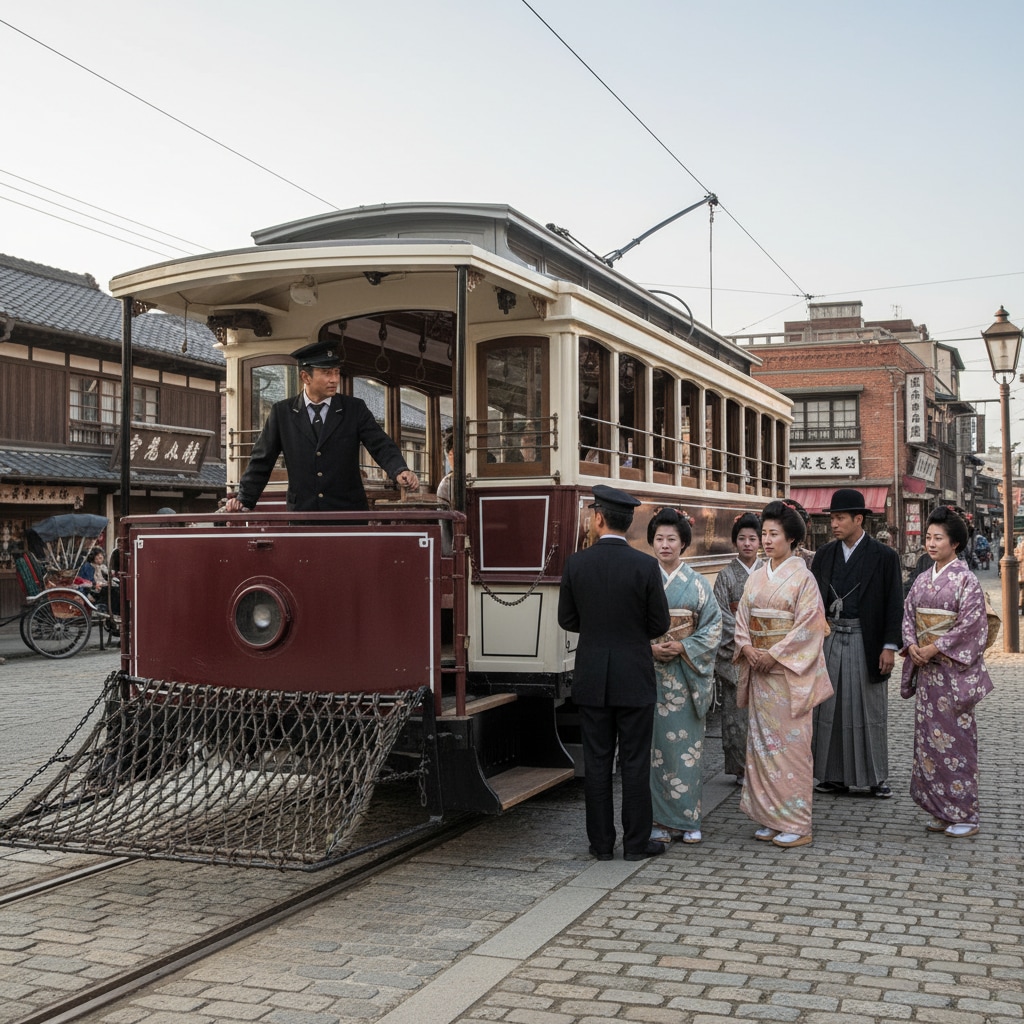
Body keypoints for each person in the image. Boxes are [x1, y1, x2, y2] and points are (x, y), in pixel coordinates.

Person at [558, 484, 671, 862]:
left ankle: (601, 844)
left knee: (598, 763)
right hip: (635, 677)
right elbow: (659, 623)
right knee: (636, 762)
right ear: (627, 522)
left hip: (592, 676)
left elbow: (567, 619)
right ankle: (636, 844)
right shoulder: (645, 565)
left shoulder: (576, 564)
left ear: (599, 518)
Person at [734, 500, 832, 849]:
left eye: (774, 534)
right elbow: (743, 618)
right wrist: (747, 649)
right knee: (761, 747)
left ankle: (796, 821)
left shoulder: (804, 577)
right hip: (761, 675)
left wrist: (773, 654)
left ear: (792, 538)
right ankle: (770, 817)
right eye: (764, 533)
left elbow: (809, 627)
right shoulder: (758, 576)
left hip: (787, 677)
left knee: (790, 749)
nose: (766, 540)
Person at [224, 340, 419, 513]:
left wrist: (399, 470)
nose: (334, 379)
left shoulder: (353, 409)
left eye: (336, 372)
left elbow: (380, 444)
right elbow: (262, 461)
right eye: (326, 373)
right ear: (305, 377)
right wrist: (244, 499)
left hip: (347, 513)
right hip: (303, 513)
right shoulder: (282, 413)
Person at [901, 505, 993, 838]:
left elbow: (971, 626)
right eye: (928, 537)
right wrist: (912, 644)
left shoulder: (966, 581)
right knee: (929, 744)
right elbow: (909, 614)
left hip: (952, 676)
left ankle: (966, 814)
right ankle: (942, 809)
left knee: (957, 745)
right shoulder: (923, 579)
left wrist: (933, 647)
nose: (931, 543)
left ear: (955, 543)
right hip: (928, 675)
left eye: (938, 538)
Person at [810, 489, 904, 799]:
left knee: (869, 709)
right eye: (832, 518)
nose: (834, 524)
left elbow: (894, 604)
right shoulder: (824, 555)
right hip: (831, 636)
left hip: (867, 639)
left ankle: (876, 777)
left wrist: (889, 646)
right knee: (829, 709)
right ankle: (832, 776)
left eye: (839, 518)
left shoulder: (885, 556)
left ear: (858, 519)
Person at [647, 508, 722, 846]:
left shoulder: (698, 585)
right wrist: (649, 647)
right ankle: (658, 820)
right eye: (660, 538)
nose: (665, 545)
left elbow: (713, 629)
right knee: (653, 753)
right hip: (649, 677)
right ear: (652, 542)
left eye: (672, 539)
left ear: (683, 544)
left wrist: (682, 646)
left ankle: (689, 818)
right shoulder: (643, 577)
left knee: (686, 752)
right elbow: (629, 624)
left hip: (686, 677)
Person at [712, 512, 762, 786]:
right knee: (737, 714)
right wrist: (747, 641)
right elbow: (721, 615)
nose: (747, 544)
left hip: (766, 653)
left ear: (760, 542)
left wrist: (765, 642)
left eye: (752, 539)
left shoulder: (769, 573)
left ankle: (764, 767)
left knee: (765, 715)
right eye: (741, 538)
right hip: (738, 656)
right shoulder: (726, 576)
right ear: (735, 542)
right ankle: (742, 768)